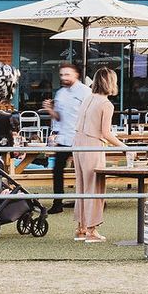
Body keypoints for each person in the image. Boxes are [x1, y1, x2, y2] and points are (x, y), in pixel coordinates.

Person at [70, 69, 119, 243]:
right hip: (92, 144)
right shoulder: (106, 104)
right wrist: (125, 147)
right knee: (95, 186)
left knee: (82, 185)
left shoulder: (87, 98)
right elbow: (106, 132)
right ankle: (92, 230)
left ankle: (81, 227)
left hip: (78, 142)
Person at [48, 62, 88, 213]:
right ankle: (57, 203)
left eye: (67, 74)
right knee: (57, 170)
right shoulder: (60, 93)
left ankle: (88, 201)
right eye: (62, 75)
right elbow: (58, 117)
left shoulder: (85, 92)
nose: (64, 77)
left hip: (80, 139)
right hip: (64, 139)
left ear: (76, 75)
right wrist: (50, 110)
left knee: (85, 172)